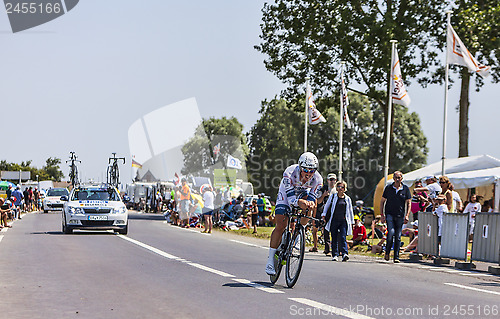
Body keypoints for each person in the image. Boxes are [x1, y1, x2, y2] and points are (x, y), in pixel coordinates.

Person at [265, 152, 323, 275]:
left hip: (303, 192)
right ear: (300, 167)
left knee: (310, 206)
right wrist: (299, 203)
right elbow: (291, 200)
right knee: (281, 225)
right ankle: (270, 260)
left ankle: (299, 232)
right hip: (287, 194)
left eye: (312, 170)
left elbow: (312, 199)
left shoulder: (318, 179)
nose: (309, 173)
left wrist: (309, 204)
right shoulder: (289, 172)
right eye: (306, 170)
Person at [380, 171, 411, 263]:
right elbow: (382, 201)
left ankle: (396, 256)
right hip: (389, 214)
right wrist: (382, 215)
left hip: (400, 215)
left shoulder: (405, 189)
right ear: (393, 178)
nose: (397, 180)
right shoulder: (389, 188)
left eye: (399, 178)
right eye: (396, 178)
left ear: (402, 178)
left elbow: (408, 203)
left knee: (398, 236)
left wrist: (407, 215)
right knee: (390, 234)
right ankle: (387, 252)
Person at [322, 180, 354, 262]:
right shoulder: (333, 196)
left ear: (345, 189)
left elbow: (350, 211)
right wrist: (324, 214)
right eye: (339, 187)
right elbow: (327, 206)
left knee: (343, 237)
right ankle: (335, 254)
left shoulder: (347, 199)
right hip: (334, 220)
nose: (340, 189)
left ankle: (344, 253)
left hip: (343, 220)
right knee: (334, 237)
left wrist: (352, 222)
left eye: (342, 187)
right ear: (336, 188)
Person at [310, 173, 336, 254]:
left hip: (331, 212)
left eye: (333, 180)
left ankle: (328, 248)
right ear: (327, 180)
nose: (332, 181)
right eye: (330, 180)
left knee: (327, 231)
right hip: (320, 211)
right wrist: (324, 195)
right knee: (315, 229)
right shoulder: (323, 189)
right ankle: (315, 246)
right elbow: (317, 201)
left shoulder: (337, 190)